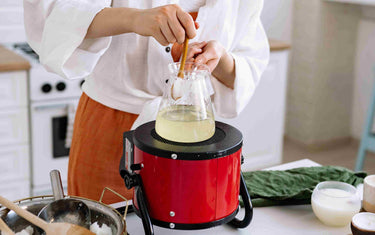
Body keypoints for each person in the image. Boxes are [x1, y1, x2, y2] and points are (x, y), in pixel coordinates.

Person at [23, 0, 269, 204]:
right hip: (111, 128)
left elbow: (248, 59)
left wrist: (219, 57)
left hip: (194, 136)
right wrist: (134, 19)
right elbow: (56, 16)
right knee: (102, 224)